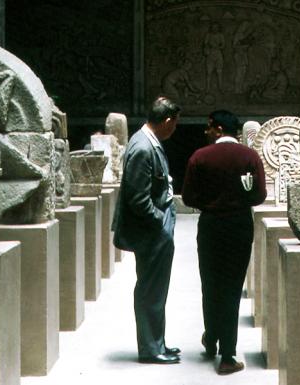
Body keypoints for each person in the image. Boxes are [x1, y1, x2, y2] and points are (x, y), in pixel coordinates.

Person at [181, 110, 267, 375]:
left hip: (211, 225)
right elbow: (259, 195)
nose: (206, 132)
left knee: (211, 282)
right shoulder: (250, 157)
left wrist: (209, 203)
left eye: (209, 127)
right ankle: (228, 353)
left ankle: (213, 337)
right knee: (231, 286)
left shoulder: (200, 157)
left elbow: (188, 197)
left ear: (218, 129)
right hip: (240, 225)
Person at [112, 97, 181, 364]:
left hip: (155, 229)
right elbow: (138, 199)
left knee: (156, 290)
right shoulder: (142, 147)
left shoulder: (148, 142)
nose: (174, 130)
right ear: (166, 121)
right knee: (151, 290)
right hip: (151, 231)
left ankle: (157, 343)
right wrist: (159, 223)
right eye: (174, 125)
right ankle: (151, 348)